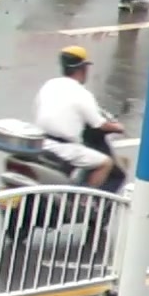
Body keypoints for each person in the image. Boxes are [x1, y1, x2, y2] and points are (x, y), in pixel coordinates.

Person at [33, 46, 124, 190]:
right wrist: (118, 127)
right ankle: (85, 201)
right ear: (83, 69)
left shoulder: (49, 85)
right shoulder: (82, 93)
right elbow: (99, 124)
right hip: (63, 147)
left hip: (42, 142)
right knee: (105, 163)